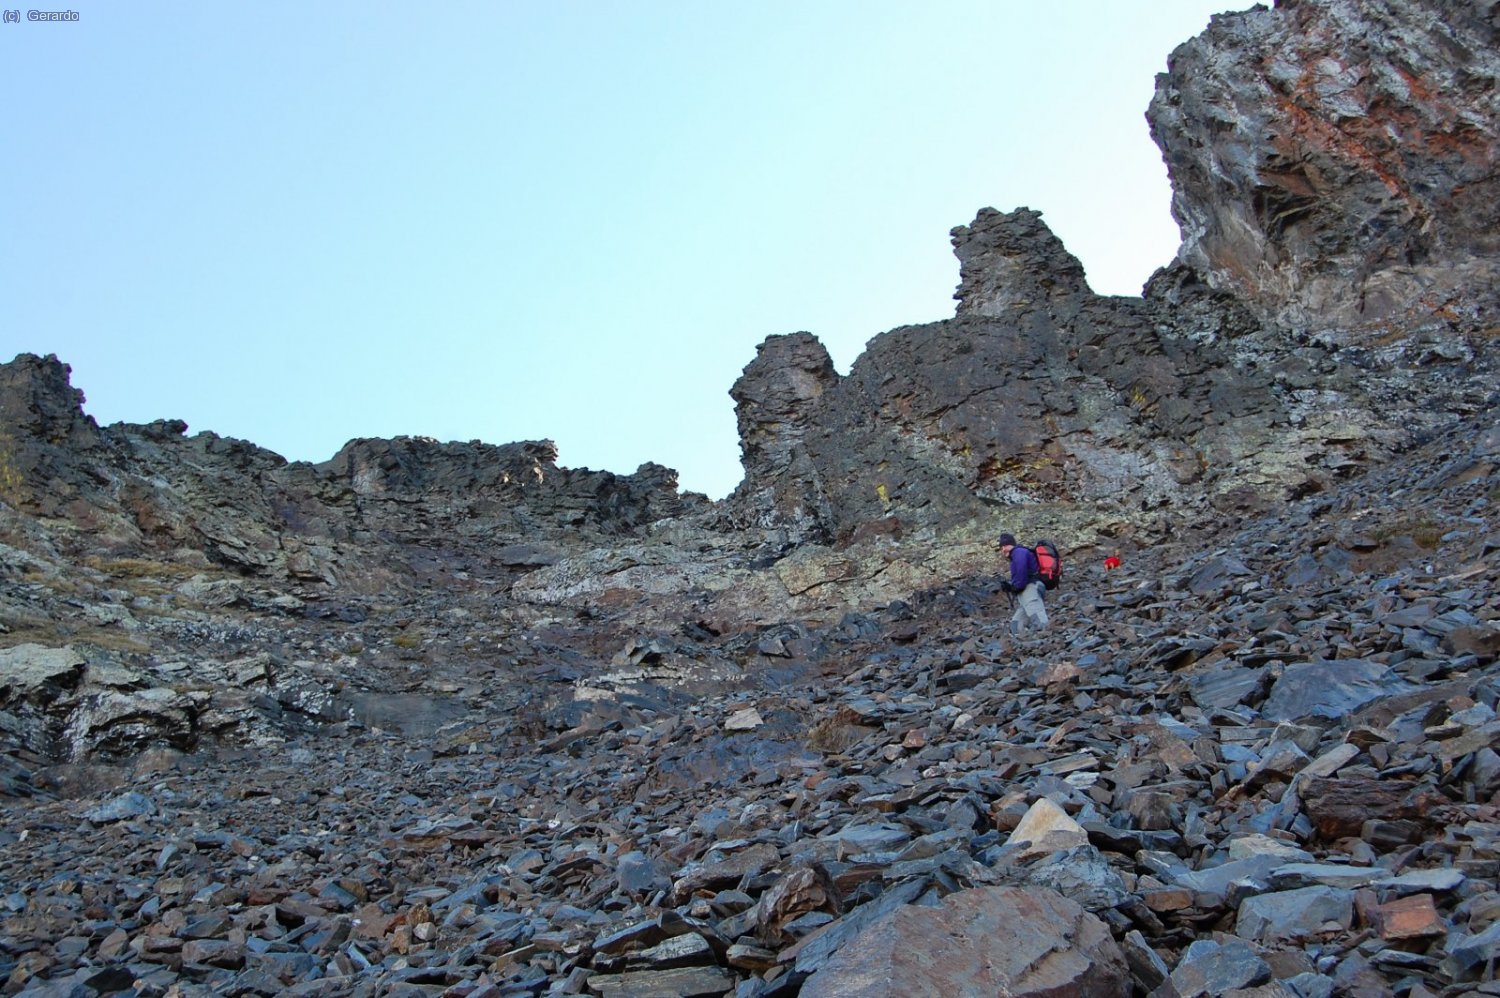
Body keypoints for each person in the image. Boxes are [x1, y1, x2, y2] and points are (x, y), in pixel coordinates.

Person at [999, 533, 1049, 635]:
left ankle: (1049, 638)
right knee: (1016, 624)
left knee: (1038, 618)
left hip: (1030, 589)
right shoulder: (1017, 554)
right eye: (1001, 547)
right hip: (1027, 591)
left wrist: (1016, 587)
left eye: (1005, 546)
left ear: (1012, 544)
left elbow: (1022, 571)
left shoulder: (1018, 552)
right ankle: (1020, 640)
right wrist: (1011, 587)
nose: (1003, 549)